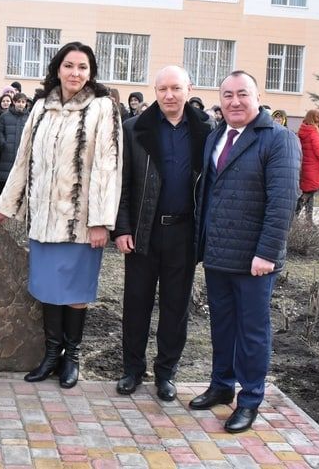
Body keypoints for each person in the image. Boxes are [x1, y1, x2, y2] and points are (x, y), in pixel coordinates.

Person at [0, 41, 123, 388]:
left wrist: (100, 222)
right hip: (44, 220)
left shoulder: (102, 108)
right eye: (69, 66)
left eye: (82, 67)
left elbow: (108, 167)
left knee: (76, 291)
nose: (75, 73)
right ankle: (51, 355)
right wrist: (7, 205)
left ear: (91, 72)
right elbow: (23, 160)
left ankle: (72, 357)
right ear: (57, 69)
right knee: (47, 289)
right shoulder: (41, 108)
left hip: (80, 223)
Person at [190, 70, 301, 433]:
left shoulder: (278, 139)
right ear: (219, 100)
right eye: (227, 95)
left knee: (252, 331)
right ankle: (221, 386)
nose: (234, 102)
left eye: (242, 94)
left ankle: (250, 398)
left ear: (257, 97)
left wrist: (267, 253)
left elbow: (282, 202)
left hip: (255, 259)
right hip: (219, 253)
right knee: (222, 325)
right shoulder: (216, 136)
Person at [112, 66, 212, 401]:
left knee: (175, 308)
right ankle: (132, 370)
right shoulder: (135, 129)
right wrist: (122, 228)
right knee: (136, 304)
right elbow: (123, 184)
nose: (169, 95)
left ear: (189, 88)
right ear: (154, 91)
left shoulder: (206, 131)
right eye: (162, 89)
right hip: (143, 231)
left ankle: (166, 373)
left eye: (176, 88)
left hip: (183, 233)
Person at [296, 108, 319, 222]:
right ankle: (293, 218)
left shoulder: (303, 130)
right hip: (314, 169)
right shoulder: (313, 133)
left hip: (306, 167)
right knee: (308, 193)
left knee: (310, 193)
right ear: (316, 119)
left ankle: (309, 221)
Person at [0, 93, 30, 201]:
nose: (20, 104)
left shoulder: (29, 117)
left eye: (23, 102)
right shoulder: (5, 116)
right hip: (7, 151)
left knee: (20, 179)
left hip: (22, 152)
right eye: (18, 102)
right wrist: (3, 143)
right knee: (6, 178)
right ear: (14, 102)